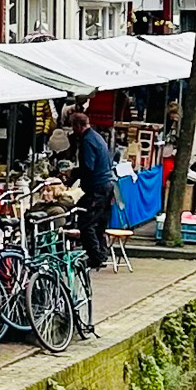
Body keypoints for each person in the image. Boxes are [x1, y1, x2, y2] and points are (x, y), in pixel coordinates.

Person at [65, 108, 117, 272]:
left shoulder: (87, 141)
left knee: (86, 222)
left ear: (78, 126)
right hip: (106, 184)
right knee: (99, 222)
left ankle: (94, 256)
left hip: (97, 186)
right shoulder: (97, 137)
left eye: (73, 127)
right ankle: (101, 253)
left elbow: (88, 167)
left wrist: (72, 174)